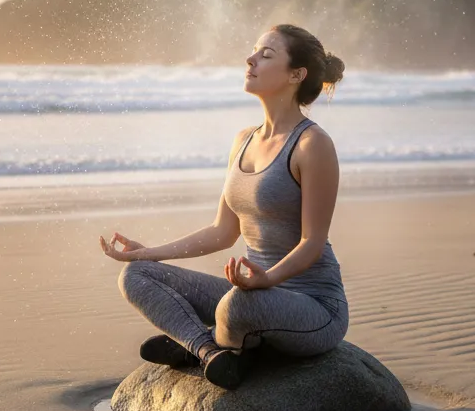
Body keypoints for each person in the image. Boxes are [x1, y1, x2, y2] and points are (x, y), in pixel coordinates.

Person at [99, 24, 349, 390]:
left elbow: (312, 242)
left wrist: (268, 279)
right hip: (252, 292)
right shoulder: (243, 140)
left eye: (266, 55)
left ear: (296, 75)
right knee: (137, 275)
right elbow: (222, 232)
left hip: (312, 307)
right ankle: (209, 351)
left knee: (236, 307)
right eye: (254, 51)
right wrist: (147, 253)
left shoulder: (312, 144)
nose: (250, 59)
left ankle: (198, 341)